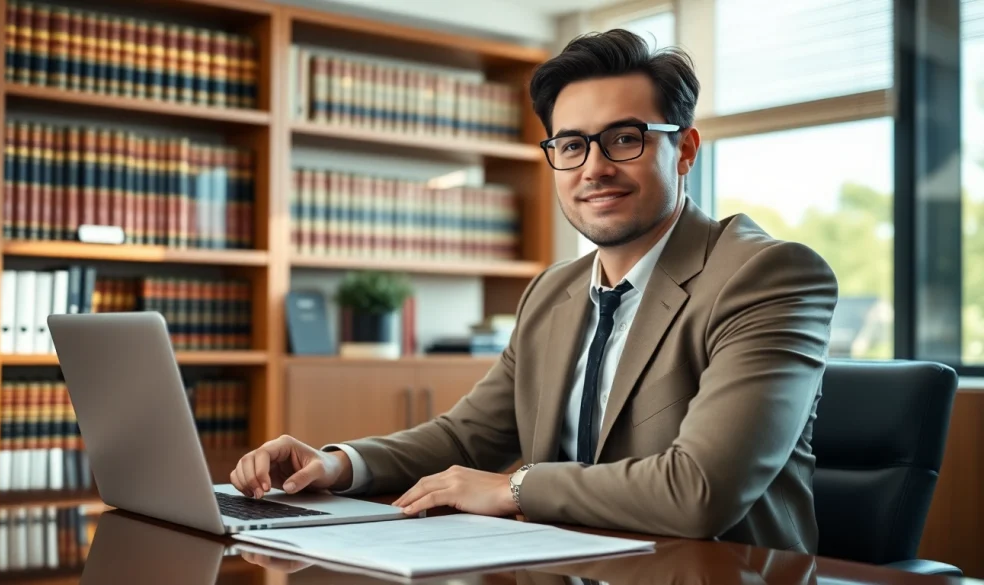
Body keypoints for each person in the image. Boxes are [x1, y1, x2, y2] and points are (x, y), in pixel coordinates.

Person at [230, 29, 838, 553]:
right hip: (559, 565)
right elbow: (469, 436)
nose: (594, 168)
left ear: (684, 150)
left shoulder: (768, 276)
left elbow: (700, 491)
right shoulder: (554, 291)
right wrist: (338, 464)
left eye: (625, 138)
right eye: (571, 145)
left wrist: (512, 487)